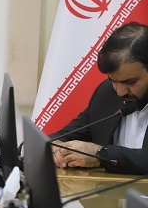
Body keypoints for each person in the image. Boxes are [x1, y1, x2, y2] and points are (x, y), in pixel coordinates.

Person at [51, 22, 148, 175]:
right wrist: (56, 148)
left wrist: (101, 155)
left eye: (130, 82)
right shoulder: (107, 94)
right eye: (113, 80)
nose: (120, 92)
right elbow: (63, 136)